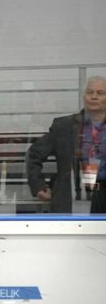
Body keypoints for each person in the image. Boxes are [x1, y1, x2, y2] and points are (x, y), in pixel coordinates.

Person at [26, 76, 106, 213]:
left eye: (100, 93)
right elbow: (33, 154)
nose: (94, 97)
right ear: (84, 97)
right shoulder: (64, 126)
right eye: (90, 92)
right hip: (72, 197)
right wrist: (38, 185)